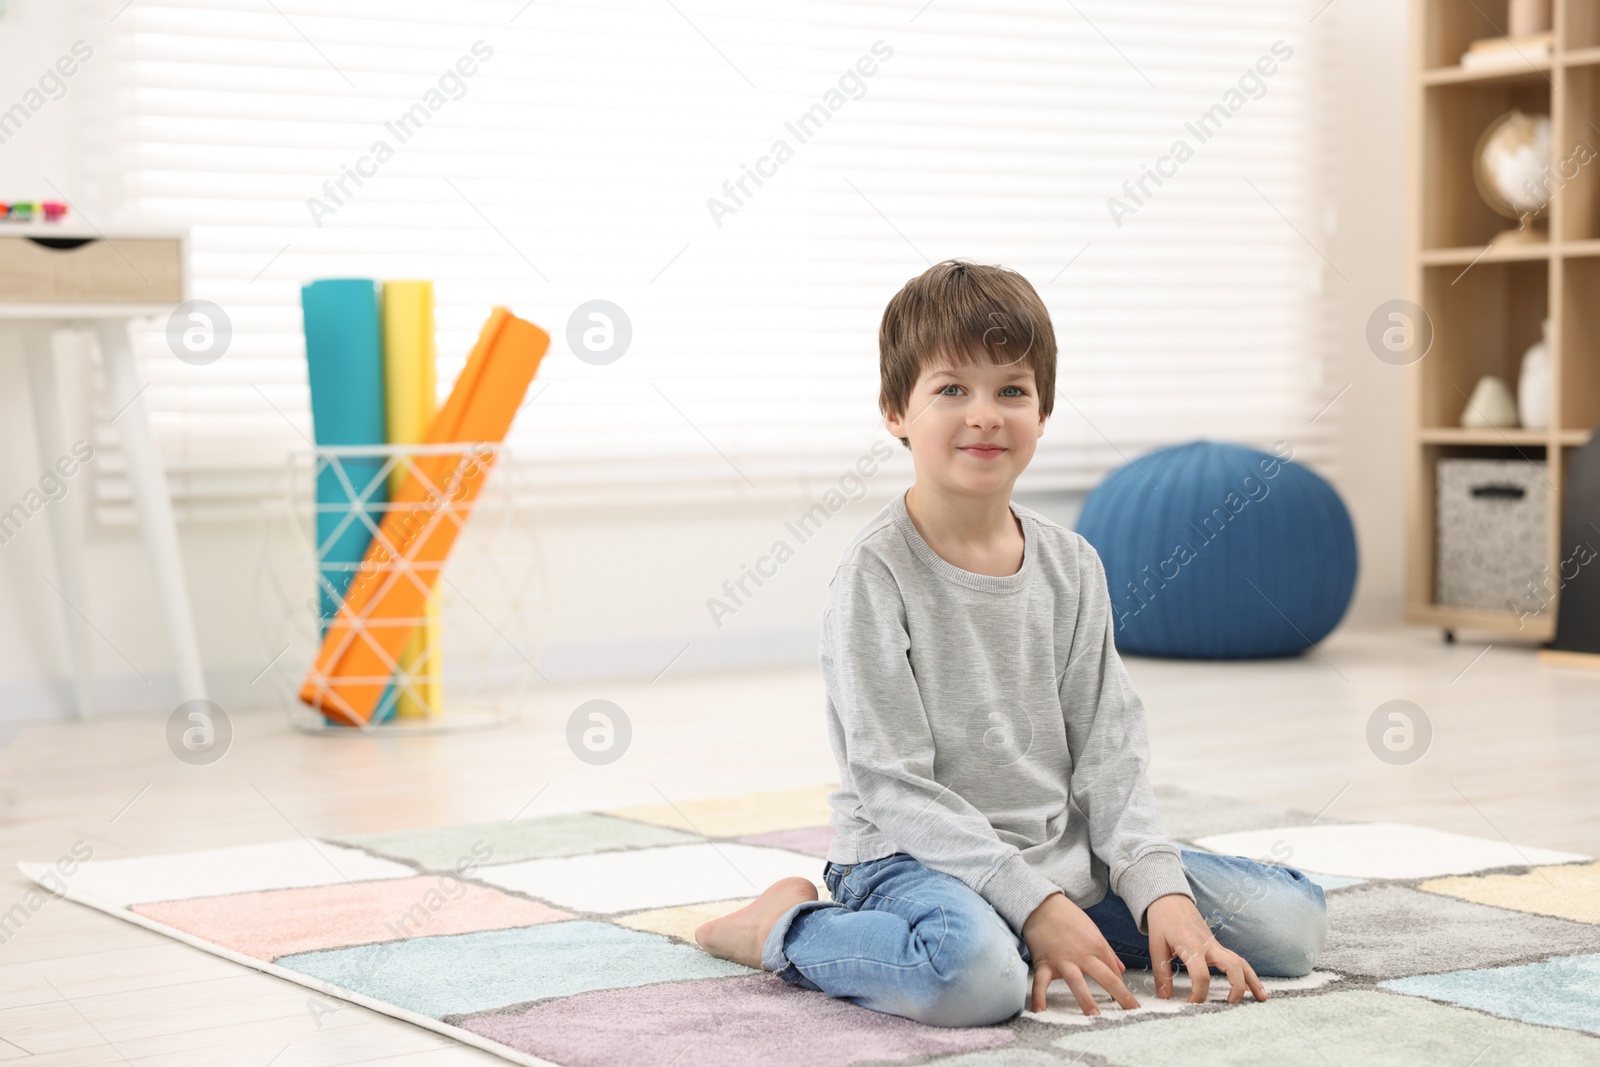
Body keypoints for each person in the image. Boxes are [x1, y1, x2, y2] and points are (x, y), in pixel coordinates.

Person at [695, 259, 1327, 1026]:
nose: (986, 414)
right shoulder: (874, 574)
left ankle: (1048, 926)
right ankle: (787, 928)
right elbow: (892, 785)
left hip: (1059, 851)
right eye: (952, 389)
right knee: (975, 981)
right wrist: (1033, 904)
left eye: (1012, 390)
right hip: (910, 860)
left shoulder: (1074, 564)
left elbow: (1109, 747)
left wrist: (1157, 887)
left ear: (1044, 409)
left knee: (1291, 924)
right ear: (897, 411)